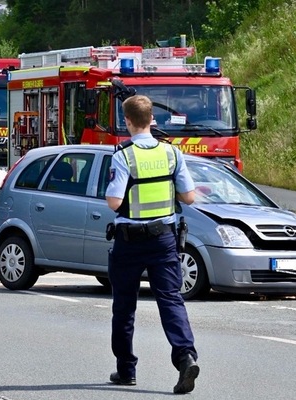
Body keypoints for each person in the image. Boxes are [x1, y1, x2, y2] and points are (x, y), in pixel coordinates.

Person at [105, 95, 200, 394]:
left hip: (129, 241)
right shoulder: (172, 154)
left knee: (124, 307)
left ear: (128, 121)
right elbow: (189, 197)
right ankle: (185, 357)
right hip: (164, 239)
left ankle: (126, 370)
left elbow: (114, 202)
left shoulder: (123, 155)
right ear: (152, 120)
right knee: (171, 300)